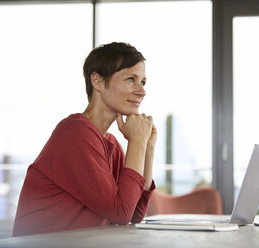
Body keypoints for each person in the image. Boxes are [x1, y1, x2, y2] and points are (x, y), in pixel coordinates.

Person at [12, 42, 156, 236]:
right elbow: (120, 213)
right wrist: (136, 143)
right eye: (130, 79)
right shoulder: (75, 132)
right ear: (97, 81)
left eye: (143, 82)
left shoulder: (110, 143)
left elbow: (135, 213)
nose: (142, 91)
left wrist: (147, 148)